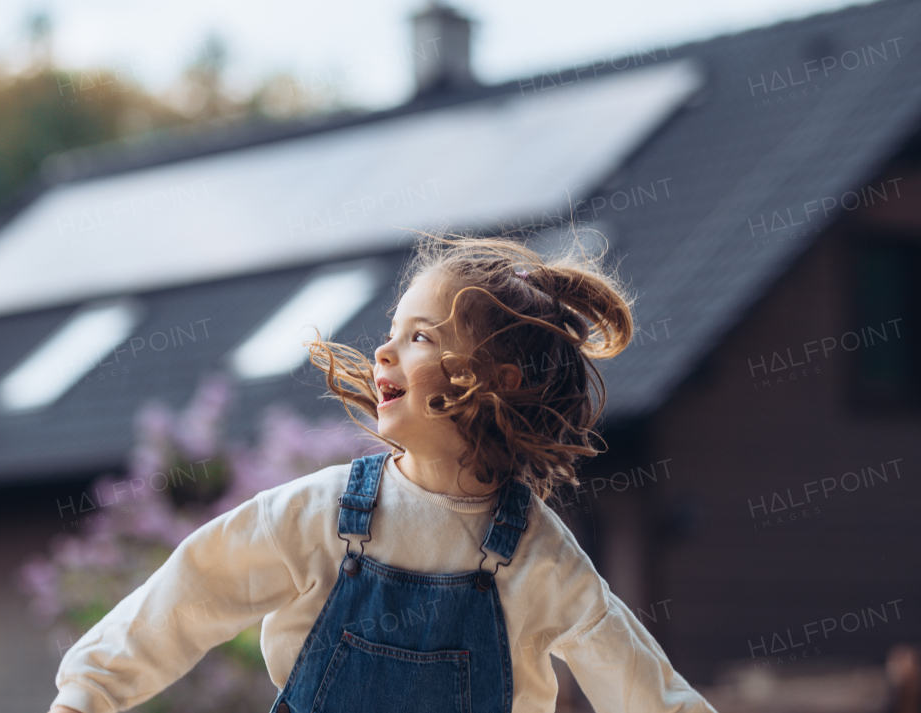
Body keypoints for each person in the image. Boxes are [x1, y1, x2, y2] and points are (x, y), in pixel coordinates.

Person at [48, 229, 718, 712]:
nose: (383, 349)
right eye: (393, 331)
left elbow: (643, 687)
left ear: (495, 380)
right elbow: (193, 591)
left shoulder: (537, 557)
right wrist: (89, 691)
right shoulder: (322, 513)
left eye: (420, 336)